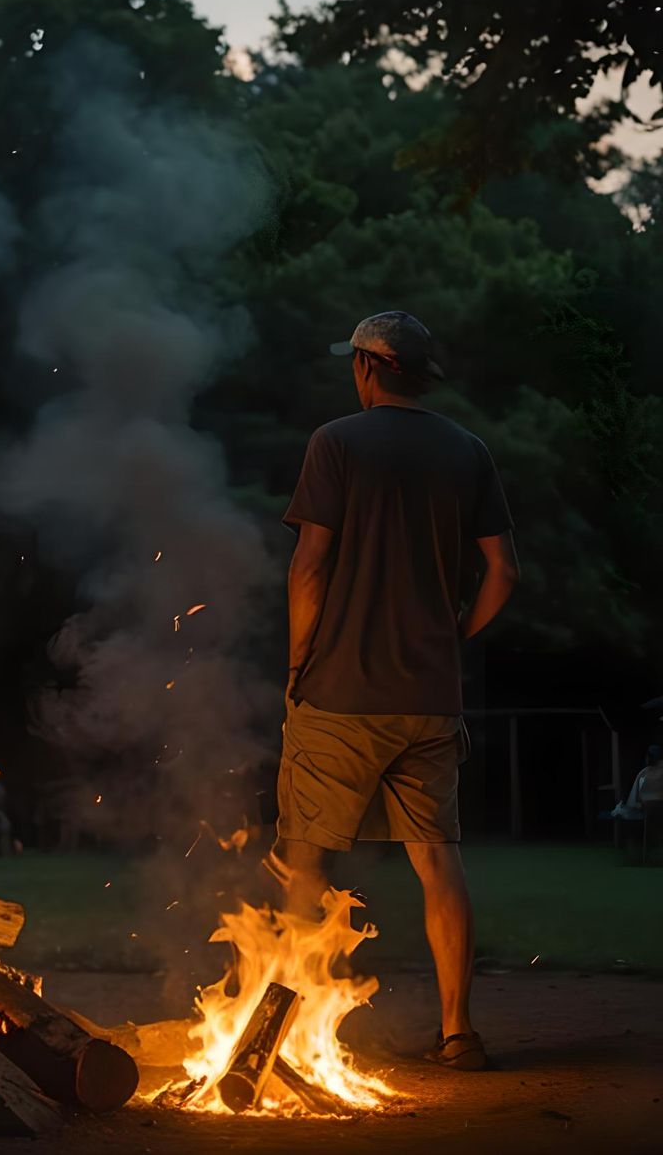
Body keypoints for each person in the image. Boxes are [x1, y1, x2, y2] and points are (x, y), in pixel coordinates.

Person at [272, 311, 518, 1071]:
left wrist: (299, 663)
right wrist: (453, 639)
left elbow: (309, 568)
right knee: (438, 859)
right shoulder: (468, 451)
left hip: (339, 695)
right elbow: (504, 573)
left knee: (304, 861)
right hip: (430, 699)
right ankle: (458, 1032)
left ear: (368, 367)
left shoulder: (336, 442)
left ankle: (282, 1035)